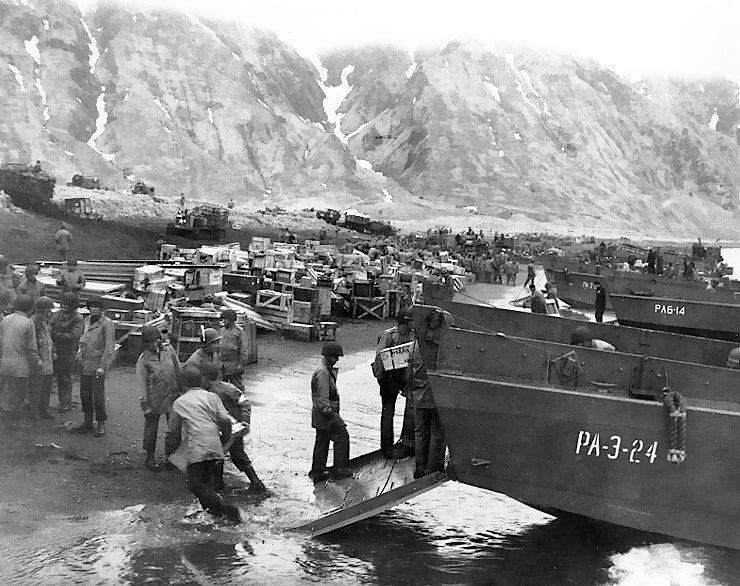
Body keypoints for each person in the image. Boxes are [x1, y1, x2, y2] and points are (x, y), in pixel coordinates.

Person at [165, 366, 241, 524]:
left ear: (182, 385)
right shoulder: (212, 397)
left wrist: (171, 454)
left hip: (197, 448)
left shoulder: (179, 402)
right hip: (214, 445)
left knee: (195, 485)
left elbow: (173, 432)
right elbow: (225, 420)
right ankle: (213, 514)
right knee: (207, 482)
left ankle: (226, 511)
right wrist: (225, 439)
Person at [201, 363, 267, 493]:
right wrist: (244, 421)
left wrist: (244, 422)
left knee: (225, 455)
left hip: (228, 428)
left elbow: (243, 402)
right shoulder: (226, 388)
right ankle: (220, 482)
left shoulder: (214, 392)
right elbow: (244, 402)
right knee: (234, 455)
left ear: (206, 377)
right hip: (231, 428)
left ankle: (255, 483)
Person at [136, 325, 181, 470]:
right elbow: (142, 384)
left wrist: (183, 390)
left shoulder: (169, 351)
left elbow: (178, 370)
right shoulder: (143, 359)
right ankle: (150, 457)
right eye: (148, 342)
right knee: (151, 427)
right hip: (154, 397)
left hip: (173, 395)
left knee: (174, 428)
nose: (152, 344)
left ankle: (171, 457)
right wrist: (146, 406)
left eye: (154, 340)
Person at [373, 308, 415, 459]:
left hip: (404, 377)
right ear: (405, 321)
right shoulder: (389, 335)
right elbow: (379, 359)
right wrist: (382, 381)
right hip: (389, 378)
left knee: (410, 409)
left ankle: (406, 442)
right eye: (411, 321)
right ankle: (387, 448)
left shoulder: (412, 335)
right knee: (388, 412)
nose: (413, 324)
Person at [309, 343, 351, 482]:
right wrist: (332, 416)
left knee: (322, 441)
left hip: (319, 414)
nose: (337, 359)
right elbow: (323, 397)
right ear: (328, 356)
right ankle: (341, 470)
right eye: (335, 357)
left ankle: (317, 472)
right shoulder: (323, 373)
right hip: (326, 414)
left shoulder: (323, 370)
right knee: (342, 437)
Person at [74, 297, 115, 436]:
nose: (94, 309)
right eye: (92, 306)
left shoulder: (106, 324)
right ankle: (87, 422)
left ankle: (101, 424)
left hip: (98, 365)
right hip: (85, 364)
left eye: (97, 307)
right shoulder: (86, 321)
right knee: (85, 394)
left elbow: (109, 347)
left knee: (97, 396)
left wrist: (103, 366)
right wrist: (79, 355)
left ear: (101, 309)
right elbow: (83, 340)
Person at [407, 336, 445, 479]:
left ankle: (419, 469)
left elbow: (409, 373)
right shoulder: (439, 347)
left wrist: (410, 393)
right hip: (435, 395)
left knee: (420, 432)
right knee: (437, 433)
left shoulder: (414, 346)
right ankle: (434, 470)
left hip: (418, 394)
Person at [0, 295, 41, 420]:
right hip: (21, 365)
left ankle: (6, 417)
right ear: (30, 308)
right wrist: (36, 363)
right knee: (19, 394)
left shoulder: (5, 319)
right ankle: (15, 420)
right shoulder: (28, 322)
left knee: (7, 391)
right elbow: (31, 347)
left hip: (5, 363)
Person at [50, 292, 84, 413]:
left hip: (68, 351)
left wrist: (57, 334)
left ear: (73, 305)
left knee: (65, 377)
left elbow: (74, 335)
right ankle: (60, 401)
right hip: (56, 348)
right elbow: (51, 326)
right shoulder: (58, 314)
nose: (64, 306)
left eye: (67, 304)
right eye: (63, 303)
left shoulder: (78, 318)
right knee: (56, 377)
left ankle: (65, 403)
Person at [30, 296, 55, 420]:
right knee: (36, 389)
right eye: (48, 310)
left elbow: (49, 340)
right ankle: (34, 413)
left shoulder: (44, 322)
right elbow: (32, 345)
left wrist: (53, 352)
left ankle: (43, 411)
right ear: (44, 310)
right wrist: (37, 360)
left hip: (48, 361)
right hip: (39, 362)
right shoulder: (33, 323)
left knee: (46, 388)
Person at [218, 309, 250, 390]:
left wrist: (241, 364)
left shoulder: (239, 332)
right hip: (222, 365)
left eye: (226, 319)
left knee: (237, 387)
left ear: (232, 320)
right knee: (222, 387)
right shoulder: (222, 330)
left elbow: (244, 349)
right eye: (223, 319)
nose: (223, 321)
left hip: (234, 365)